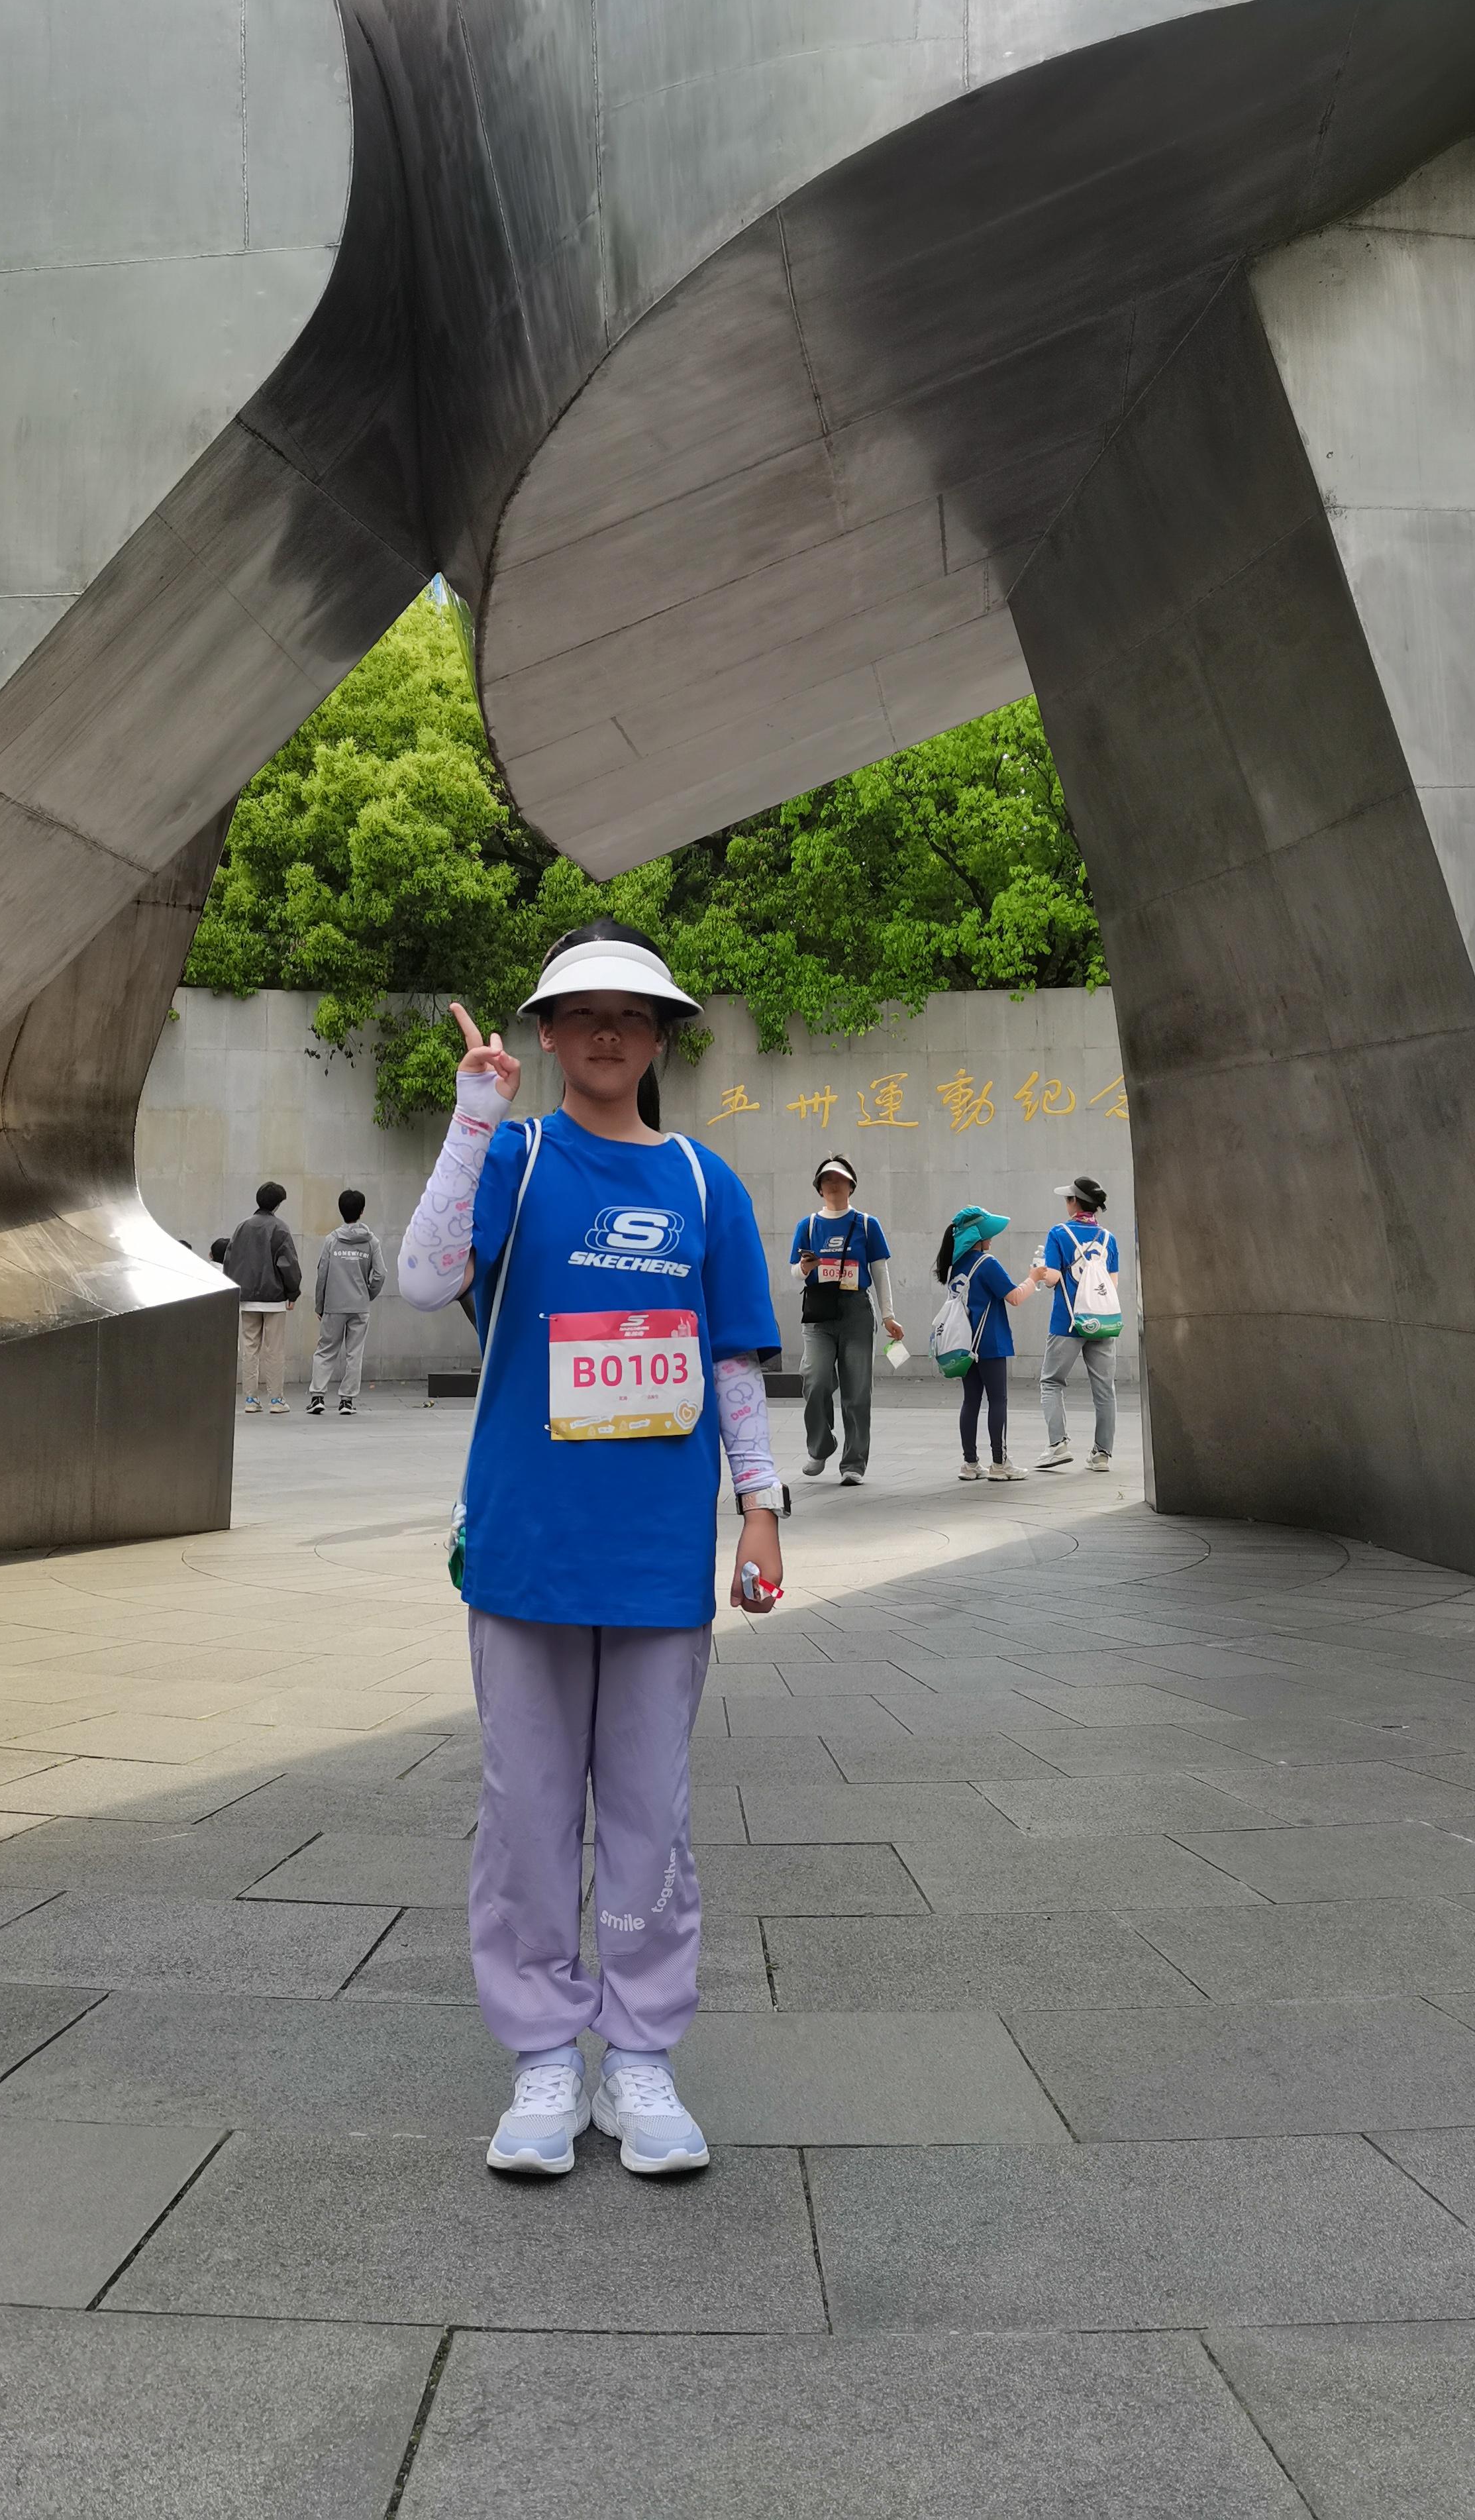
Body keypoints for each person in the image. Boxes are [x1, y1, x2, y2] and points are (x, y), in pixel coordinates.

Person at [395, 919, 784, 2183]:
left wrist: (762, 1503)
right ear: (551, 1033)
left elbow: (732, 1359)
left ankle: (641, 2054)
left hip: (658, 1552)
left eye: (631, 1013)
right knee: (524, 1807)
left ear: (661, 1035)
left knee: (648, 1811)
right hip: (529, 1542)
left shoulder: (705, 1185)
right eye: (582, 1012)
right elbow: (425, 1277)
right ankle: (542, 2056)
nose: (607, 1031)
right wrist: (472, 1116)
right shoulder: (512, 1158)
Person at [788, 1155, 901, 1487]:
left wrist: (888, 1316)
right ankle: (821, 1446)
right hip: (818, 1312)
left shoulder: (867, 1224)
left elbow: (880, 1272)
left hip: (856, 1311)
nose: (833, 1184)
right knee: (815, 1379)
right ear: (819, 1188)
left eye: (839, 1178)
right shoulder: (808, 1226)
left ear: (851, 1185)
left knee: (857, 1391)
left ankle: (853, 1463)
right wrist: (805, 1268)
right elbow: (795, 1272)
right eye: (827, 1179)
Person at [935, 1205, 1039, 1483]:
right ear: (978, 1237)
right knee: (998, 1400)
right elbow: (1015, 1297)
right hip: (990, 1343)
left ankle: (970, 1463)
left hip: (964, 1345)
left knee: (971, 1401)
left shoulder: (956, 1266)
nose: (992, 1239)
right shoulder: (987, 1263)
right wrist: (1034, 1278)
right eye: (988, 1234)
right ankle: (1000, 1463)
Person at [1035, 1175, 1123, 1474]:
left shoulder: (1059, 1233)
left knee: (1051, 1382)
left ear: (1075, 1202)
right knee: (1105, 1389)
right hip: (1103, 1321)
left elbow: (1052, 1279)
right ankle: (1102, 1454)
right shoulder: (1109, 1239)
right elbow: (1112, 1285)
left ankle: (1058, 1445)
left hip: (1068, 1322)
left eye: (1067, 1198)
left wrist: (1038, 1271)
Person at [308, 1186, 387, 1416]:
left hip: (334, 1305)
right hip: (359, 1306)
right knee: (355, 1353)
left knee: (326, 1349)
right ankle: (347, 1401)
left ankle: (317, 1397)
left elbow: (322, 1273)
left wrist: (320, 1304)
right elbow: (380, 1274)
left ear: (341, 1210)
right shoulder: (372, 1242)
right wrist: (368, 1295)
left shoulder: (332, 1240)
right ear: (362, 1211)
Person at [223, 1181, 300, 1414]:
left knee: (249, 1348)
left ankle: (250, 1399)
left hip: (247, 1298)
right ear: (277, 1204)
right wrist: (292, 1292)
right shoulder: (280, 1228)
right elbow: (289, 1264)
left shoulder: (242, 1227)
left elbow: (230, 1261)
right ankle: (276, 1400)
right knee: (274, 1349)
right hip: (274, 1298)